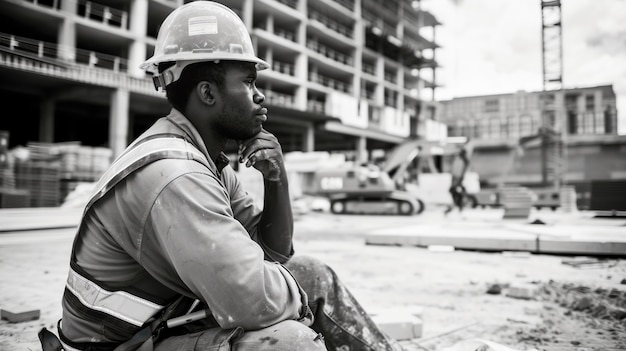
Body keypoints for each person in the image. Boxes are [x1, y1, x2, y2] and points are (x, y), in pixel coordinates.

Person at [40, 2, 406, 350]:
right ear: (207, 93)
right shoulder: (176, 175)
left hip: (161, 322)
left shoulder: (206, 160)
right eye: (248, 82)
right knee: (290, 342)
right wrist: (293, 294)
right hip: (120, 345)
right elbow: (249, 301)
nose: (260, 96)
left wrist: (276, 180)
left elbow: (274, 253)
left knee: (312, 273)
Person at [444, 140, 472, 216]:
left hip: (457, 178)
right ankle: (457, 207)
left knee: (454, 192)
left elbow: (457, 171)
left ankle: (457, 207)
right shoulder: (461, 160)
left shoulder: (462, 161)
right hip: (456, 178)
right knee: (454, 193)